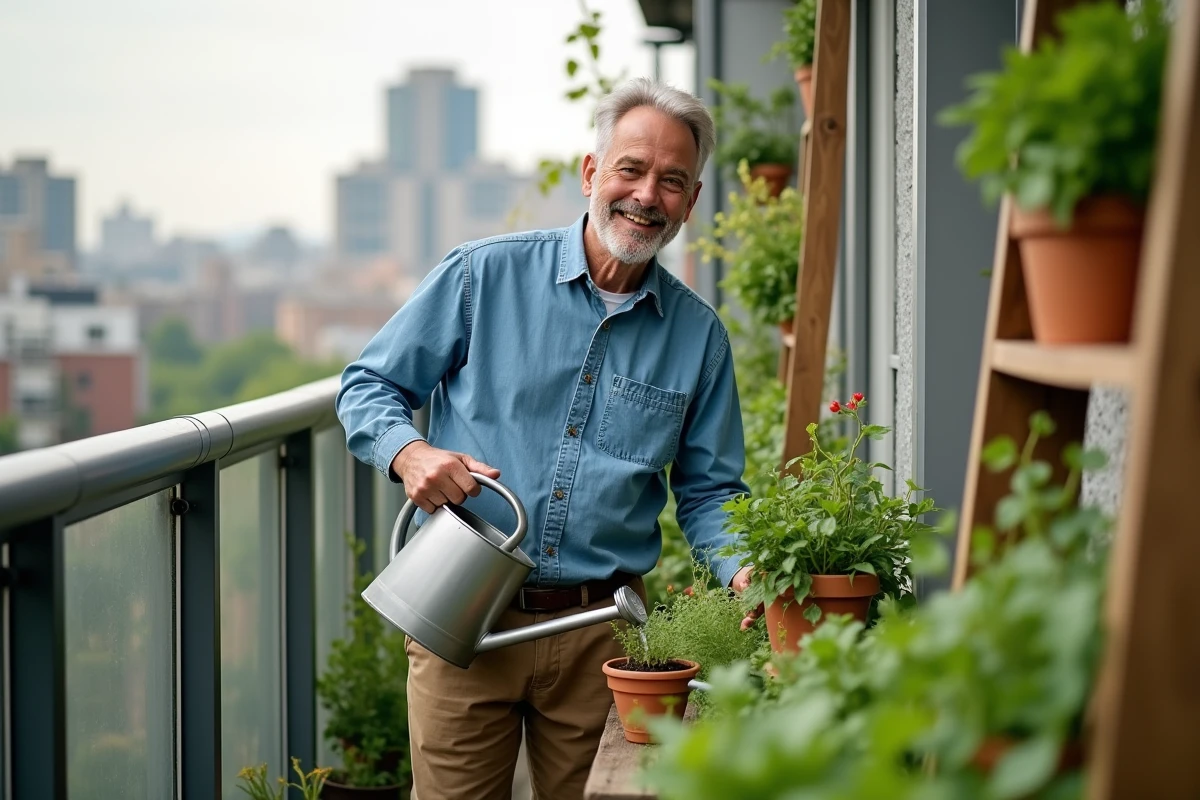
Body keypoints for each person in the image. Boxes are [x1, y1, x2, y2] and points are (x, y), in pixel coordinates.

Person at [335, 77, 756, 800]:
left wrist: (746, 573)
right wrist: (411, 453)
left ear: (691, 200)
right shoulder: (481, 276)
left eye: (673, 181)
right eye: (631, 169)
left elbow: (711, 491)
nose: (647, 195)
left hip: (608, 635)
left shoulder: (699, 338)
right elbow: (367, 386)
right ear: (592, 173)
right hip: (462, 609)